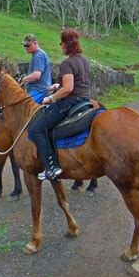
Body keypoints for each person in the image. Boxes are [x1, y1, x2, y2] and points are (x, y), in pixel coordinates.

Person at [28, 29, 91, 180]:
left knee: (36, 128)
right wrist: (58, 86)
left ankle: (51, 167)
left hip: (69, 102)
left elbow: (69, 88)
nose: (60, 46)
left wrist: (50, 98)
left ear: (66, 45)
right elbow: (77, 83)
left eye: (61, 43)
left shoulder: (67, 63)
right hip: (84, 99)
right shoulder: (84, 60)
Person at [20, 33, 52, 104]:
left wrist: (22, 79)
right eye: (24, 45)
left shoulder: (39, 56)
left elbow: (36, 75)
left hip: (39, 91)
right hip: (38, 90)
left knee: (25, 109)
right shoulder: (37, 54)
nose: (26, 47)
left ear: (35, 43)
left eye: (28, 45)